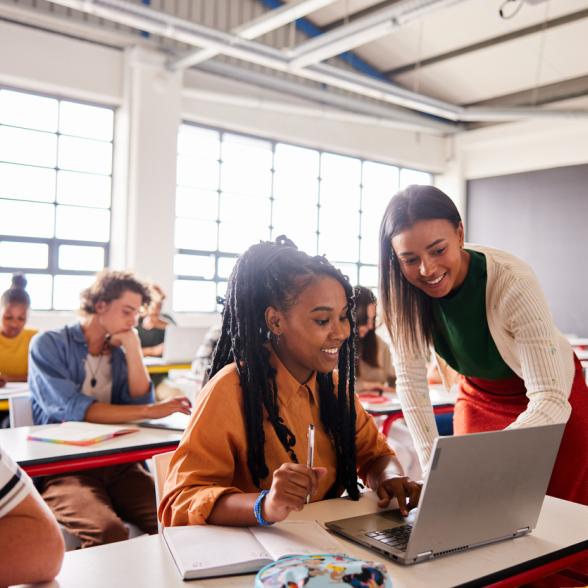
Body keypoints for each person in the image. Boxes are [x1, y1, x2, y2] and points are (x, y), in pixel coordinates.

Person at [159, 236, 421, 527]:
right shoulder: (230, 389)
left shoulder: (332, 387)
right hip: (256, 555)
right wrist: (265, 504)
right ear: (275, 321)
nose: (341, 333)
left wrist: (391, 478)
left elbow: (376, 456)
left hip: (322, 548)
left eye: (344, 317)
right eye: (322, 321)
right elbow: (180, 500)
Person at [379, 184, 588, 505]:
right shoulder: (401, 294)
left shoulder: (512, 280)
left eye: (438, 250)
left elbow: (550, 398)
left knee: (561, 510)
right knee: (474, 504)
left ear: (460, 234)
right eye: (410, 259)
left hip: (553, 394)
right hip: (480, 395)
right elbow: (411, 383)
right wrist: (429, 467)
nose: (427, 270)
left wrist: (493, 456)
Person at [28, 270, 191, 547]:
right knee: (108, 532)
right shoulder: (48, 344)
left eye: (137, 314)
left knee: (175, 519)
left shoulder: (117, 351)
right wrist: (150, 412)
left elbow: (139, 402)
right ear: (101, 304)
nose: (133, 321)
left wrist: (134, 345)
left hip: (118, 466)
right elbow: (74, 409)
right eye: (127, 311)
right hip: (66, 468)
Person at [0, 445, 64, 585]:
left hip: (118, 471)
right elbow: (47, 421)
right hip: (66, 476)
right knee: (107, 529)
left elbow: (46, 545)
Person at [354, 286, 395, 393]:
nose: (371, 326)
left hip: (379, 406)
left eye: (373, 319)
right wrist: (366, 385)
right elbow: (332, 386)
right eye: (365, 319)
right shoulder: (335, 346)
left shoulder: (381, 345)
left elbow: (393, 381)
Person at [0, 274, 37, 387]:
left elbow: (41, 376)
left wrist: (7, 378)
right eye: (8, 317)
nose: (14, 324)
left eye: (21, 318)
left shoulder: (34, 339)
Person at [137, 284, 175, 358]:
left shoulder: (167, 319)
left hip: (164, 367)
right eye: (155, 304)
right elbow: (128, 352)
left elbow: (179, 341)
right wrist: (152, 351)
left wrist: (167, 325)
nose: (158, 309)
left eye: (160, 304)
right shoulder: (136, 322)